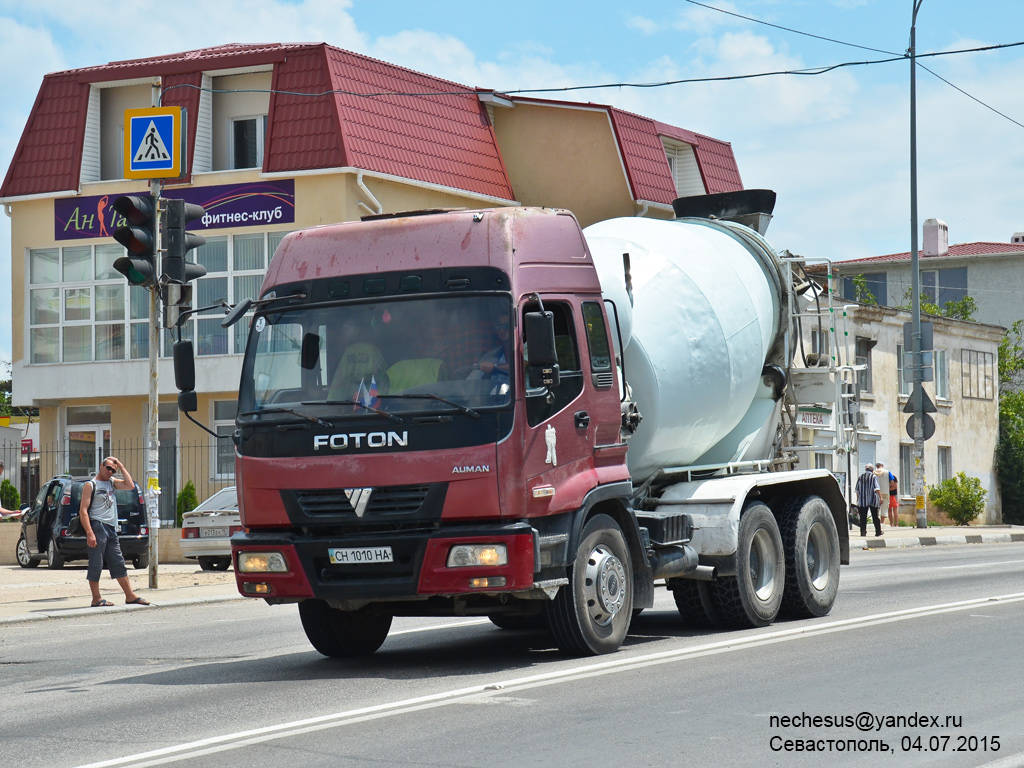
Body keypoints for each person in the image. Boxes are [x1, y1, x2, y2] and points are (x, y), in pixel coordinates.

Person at [79, 457, 150, 607]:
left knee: (118, 561)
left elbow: (130, 486)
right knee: (96, 563)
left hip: (111, 528)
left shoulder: (112, 482)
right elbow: (83, 511)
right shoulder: (90, 485)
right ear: (101, 466)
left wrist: (122, 467)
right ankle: (96, 598)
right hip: (98, 526)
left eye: (113, 470)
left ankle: (130, 595)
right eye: (108, 468)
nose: (110, 472)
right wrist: (90, 532)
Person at [468, 317, 510, 382]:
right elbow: (471, 380)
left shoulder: (525, 350)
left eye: (506, 326)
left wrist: (495, 367)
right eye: (499, 326)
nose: (501, 330)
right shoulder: (490, 356)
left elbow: (521, 366)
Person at [855, 463, 883, 537]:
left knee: (863, 517)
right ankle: (878, 532)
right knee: (875, 516)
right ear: (872, 470)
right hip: (873, 500)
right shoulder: (874, 477)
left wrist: (858, 499)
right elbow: (877, 488)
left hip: (863, 500)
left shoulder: (860, 477)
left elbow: (857, 490)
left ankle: (863, 532)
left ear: (865, 469)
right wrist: (881, 497)